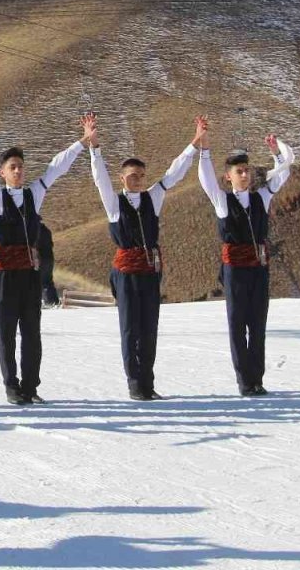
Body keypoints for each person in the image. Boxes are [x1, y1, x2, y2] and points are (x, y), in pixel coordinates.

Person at [0, 115, 87, 405]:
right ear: (3, 173)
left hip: (30, 275)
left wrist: (82, 142)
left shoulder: (35, 194)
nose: (19, 171)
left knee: (32, 333)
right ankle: (12, 386)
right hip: (6, 275)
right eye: (13, 167)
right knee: (7, 334)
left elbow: (57, 167)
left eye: (21, 166)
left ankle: (31, 386)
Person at [86, 112, 200, 401]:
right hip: (126, 274)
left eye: (140, 176)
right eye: (132, 176)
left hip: (150, 272)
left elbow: (174, 173)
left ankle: (147, 383)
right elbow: (99, 179)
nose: (137, 180)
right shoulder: (114, 204)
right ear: (122, 179)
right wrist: (94, 147)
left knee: (149, 327)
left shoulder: (153, 197)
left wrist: (194, 144)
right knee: (130, 328)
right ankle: (134, 383)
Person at [195, 120, 294, 396]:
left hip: (259, 270)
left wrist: (276, 152)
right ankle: (244, 381)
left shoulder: (262, 197)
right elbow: (205, 180)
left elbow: (283, 173)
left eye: (247, 170)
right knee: (238, 326)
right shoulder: (222, 201)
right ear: (228, 176)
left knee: (258, 324)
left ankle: (257, 379)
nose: (245, 175)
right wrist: (204, 147)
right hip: (235, 271)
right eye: (239, 171)